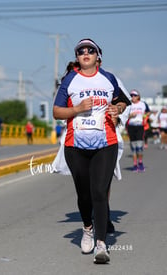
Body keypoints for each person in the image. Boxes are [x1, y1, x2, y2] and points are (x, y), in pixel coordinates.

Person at [53, 38, 130, 264]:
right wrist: (77, 109)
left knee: (99, 191)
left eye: (90, 50)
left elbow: (122, 101)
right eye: (80, 51)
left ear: (98, 56)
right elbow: (57, 112)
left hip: (106, 143)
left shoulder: (108, 78)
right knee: (84, 194)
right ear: (77, 57)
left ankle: (101, 244)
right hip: (75, 145)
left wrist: (118, 107)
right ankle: (87, 227)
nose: (85, 53)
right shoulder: (70, 80)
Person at [126, 89, 150, 172]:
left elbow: (148, 112)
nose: (133, 97)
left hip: (140, 126)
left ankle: (140, 163)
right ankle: (135, 165)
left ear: (138, 96)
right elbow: (124, 116)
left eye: (134, 95)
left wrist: (145, 116)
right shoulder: (128, 105)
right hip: (131, 126)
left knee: (139, 146)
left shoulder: (143, 104)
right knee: (133, 147)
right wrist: (130, 115)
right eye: (131, 95)